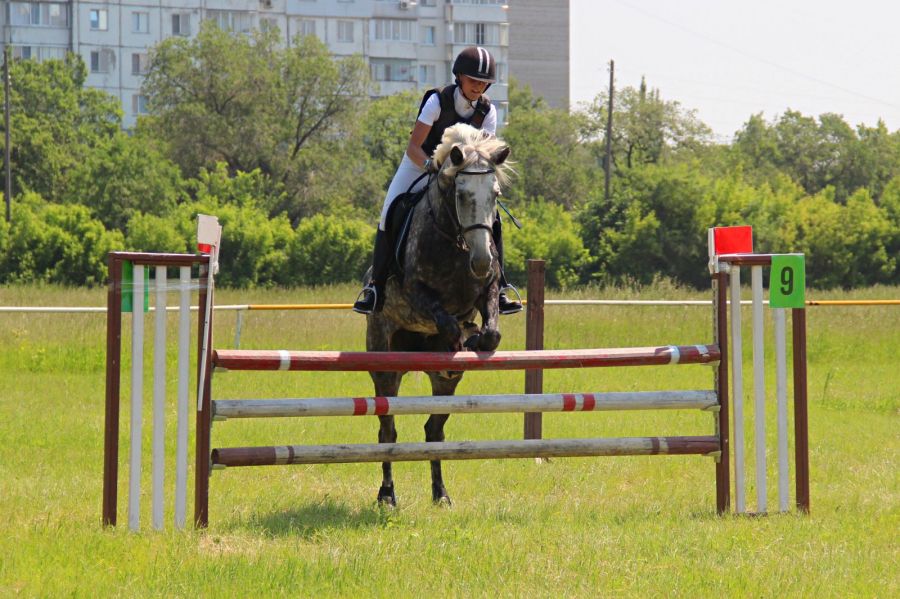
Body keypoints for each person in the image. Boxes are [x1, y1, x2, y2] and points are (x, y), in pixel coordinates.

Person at [353, 46, 523, 316]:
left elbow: (483, 155)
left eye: (483, 82)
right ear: (459, 78)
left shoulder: (488, 112)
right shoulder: (437, 102)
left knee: (493, 218)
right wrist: (430, 167)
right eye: (473, 80)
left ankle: (500, 287)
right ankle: (377, 286)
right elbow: (414, 146)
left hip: (462, 171)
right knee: (389, 211)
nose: (478, 86)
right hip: (420, 164)